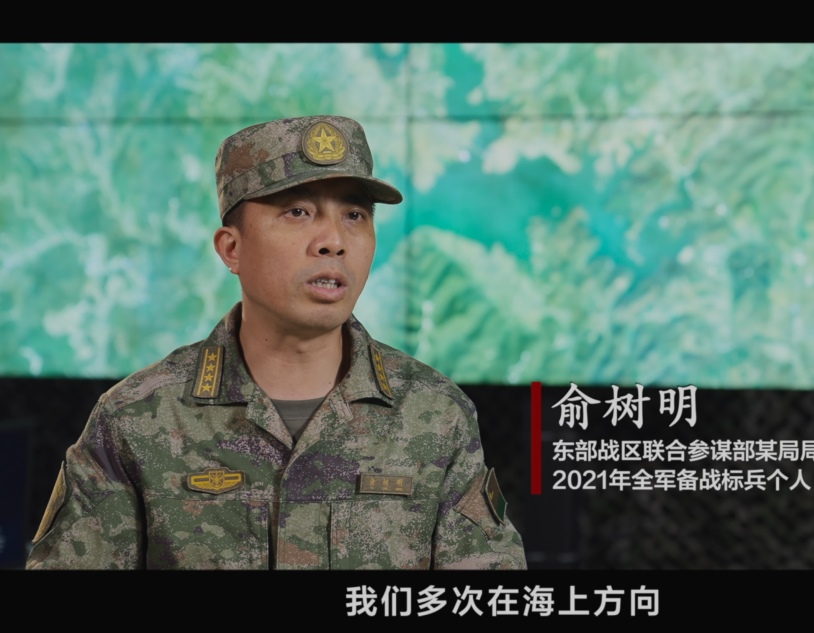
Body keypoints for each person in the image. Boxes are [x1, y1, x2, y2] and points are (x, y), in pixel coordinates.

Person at [26, 116, 527, 569]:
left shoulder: (435, 415)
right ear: (232, 248)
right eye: (298, 212)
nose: (333, 241)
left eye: (355, 215)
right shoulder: (137, 419)